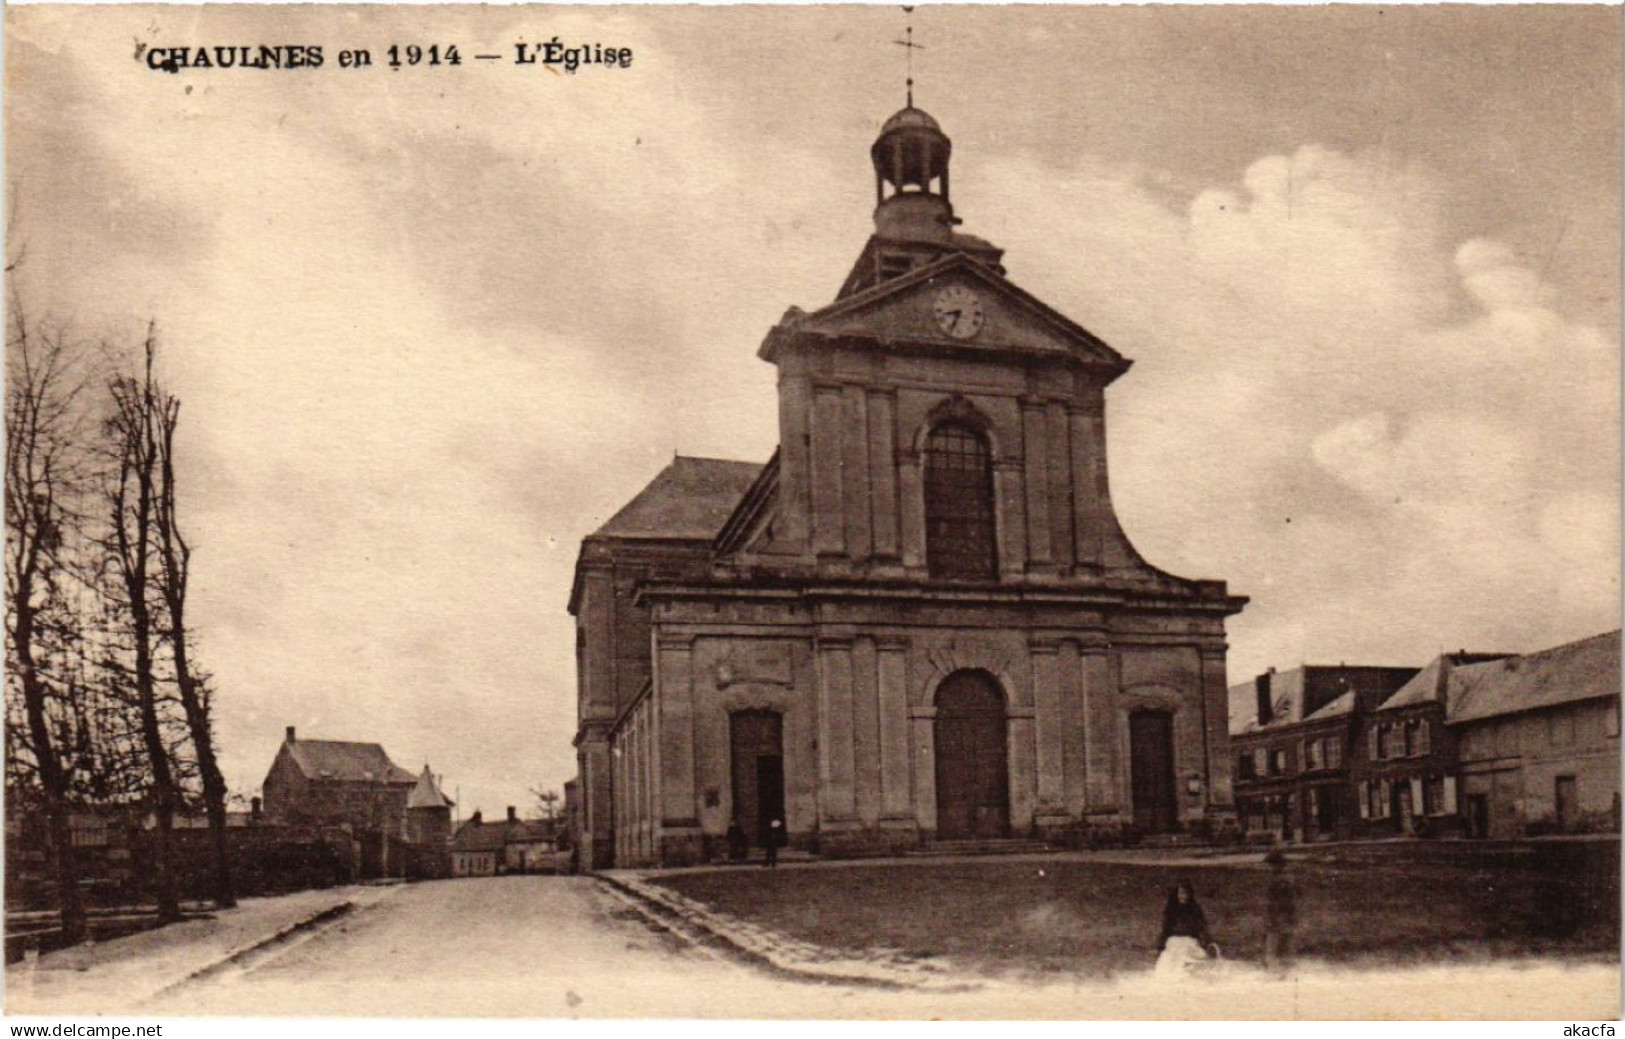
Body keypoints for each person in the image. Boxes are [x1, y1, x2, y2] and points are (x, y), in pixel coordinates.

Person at [1155, 880, 1215, 978]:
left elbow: (1202, 927)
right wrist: (1160, 946)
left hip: (1190, 941)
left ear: (1190, 894)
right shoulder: (1171, 910)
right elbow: (1165, 929)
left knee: (1189, 958)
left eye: (1186, 893)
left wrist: (1207, 942)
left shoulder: (1195, 909)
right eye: (1181, 893)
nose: (1183, 896)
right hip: (1174, 941)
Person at [1264, 850, 1298, 975]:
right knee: (1287, 939)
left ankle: (1273, 969)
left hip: (1280, 913)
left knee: (1274, 940)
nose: (1269, 868)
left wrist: (1273, 916)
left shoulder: (1278, 880)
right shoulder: (1289, 877)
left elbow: (1276, 900)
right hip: (1288, 913)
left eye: (1271, 865)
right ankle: (1288, 967)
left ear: (1277, 865)